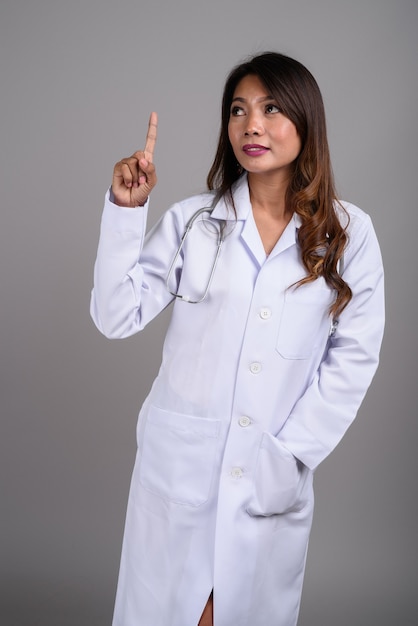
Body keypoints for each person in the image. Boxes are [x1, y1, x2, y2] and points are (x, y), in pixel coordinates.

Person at [90, 52, 384, 626]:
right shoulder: (193, 222)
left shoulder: (348, 235)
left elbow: (353, 359)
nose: (252, 124)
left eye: (272, 108)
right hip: (179, 471)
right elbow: (114, 314)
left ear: (306, 121)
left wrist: (290, 455)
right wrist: (127, 213)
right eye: (238, 110)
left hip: (268, 472)